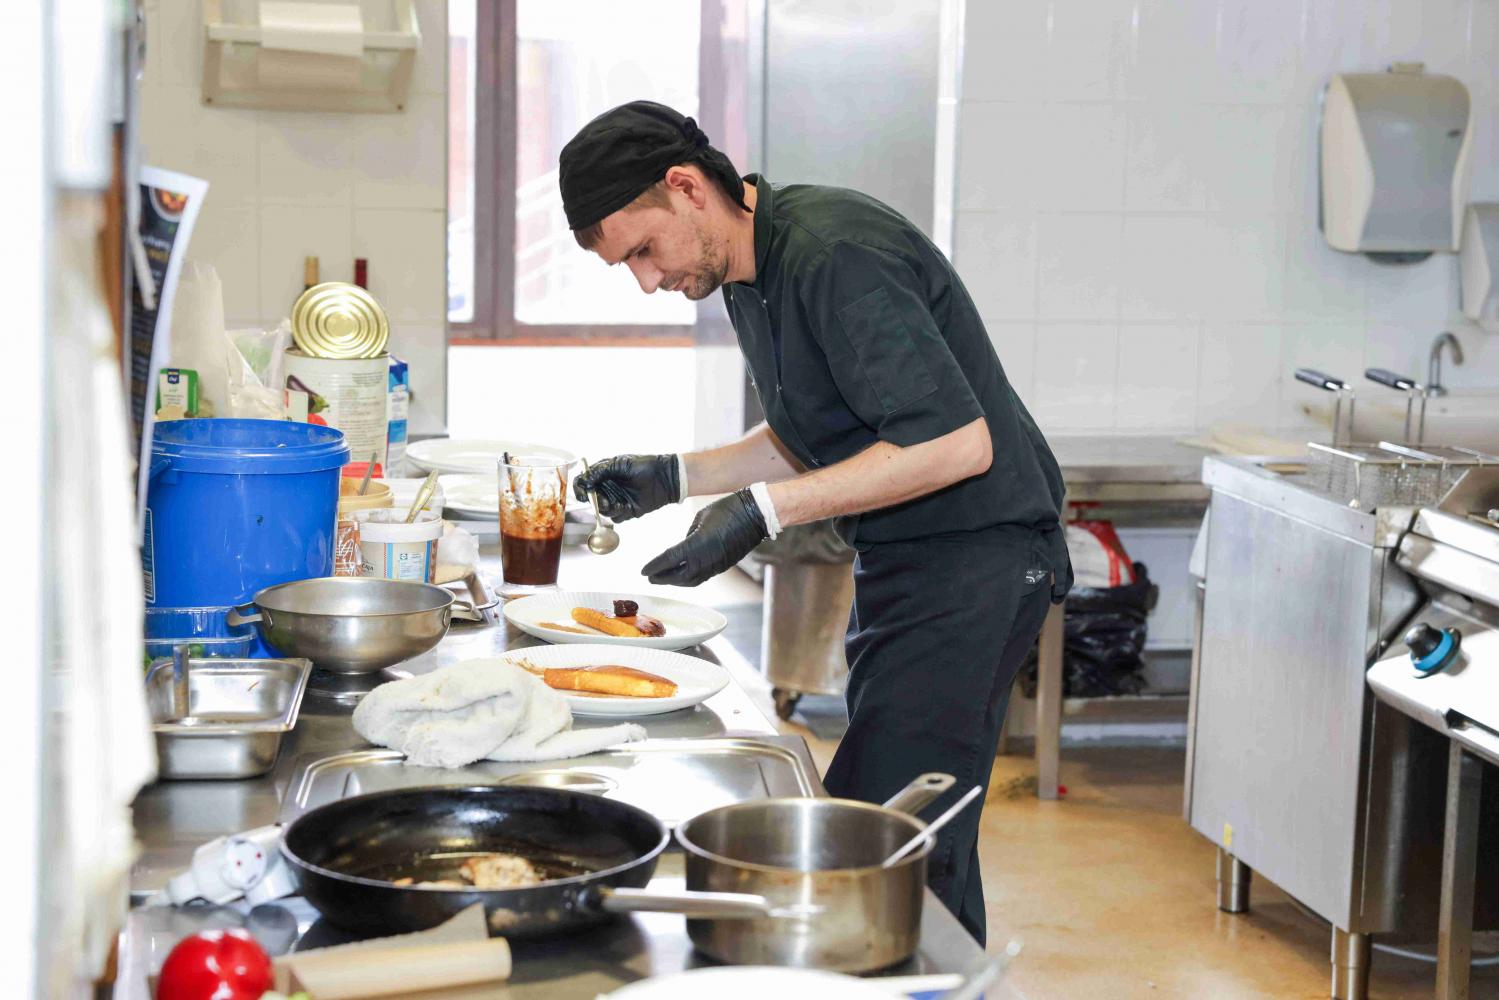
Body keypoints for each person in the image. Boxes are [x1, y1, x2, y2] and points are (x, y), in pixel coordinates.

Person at [560, 101, 1071, 943]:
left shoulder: (835, 253)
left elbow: (954, 443)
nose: (648, 282)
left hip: (977, 563)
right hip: (903, 562)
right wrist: (678, 476)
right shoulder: (745, 274)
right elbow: (812, 433)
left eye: (643, 251)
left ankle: (924, 984)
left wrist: (760, 511)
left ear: (686, 188)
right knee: (912, 835)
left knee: (889, 846)